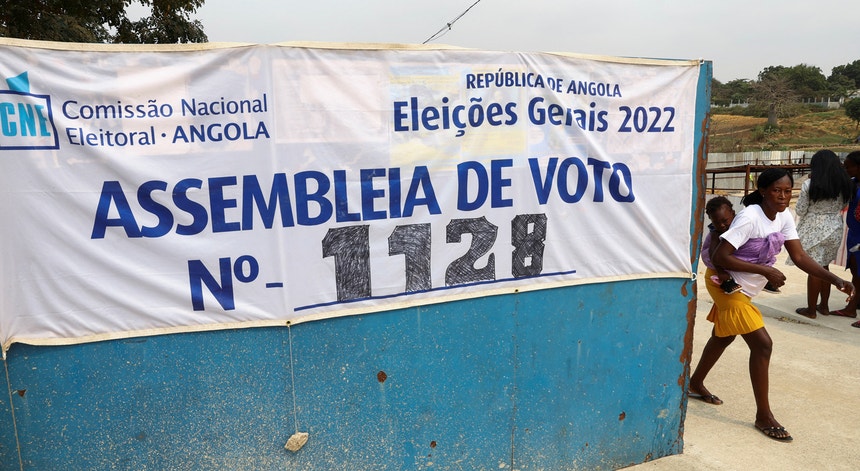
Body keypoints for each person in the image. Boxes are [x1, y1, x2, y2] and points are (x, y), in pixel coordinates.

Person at [689, 168, 855, 442]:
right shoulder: (750, 217)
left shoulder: (784, 216)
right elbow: (720, 257)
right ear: (763, 190)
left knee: (724, 335)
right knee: (763, 345)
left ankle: (695, 383)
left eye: (788, 191)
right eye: (777, 190)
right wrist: (766, 271)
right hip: (724, 284)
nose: (783, 196)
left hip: (745, 287)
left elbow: (799, 256)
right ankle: (763, 416)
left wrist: (835, 279)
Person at [790, 150, 853, 319]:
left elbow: (800, 210)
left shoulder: (809, 184)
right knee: (824, 266)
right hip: (835, 227)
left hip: (814, 228)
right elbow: (844, 206)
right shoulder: (845, 184)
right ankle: (824, 306)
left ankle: (811, 310)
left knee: (814, 269)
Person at [833, 150, 860, 326]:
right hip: (854, 234)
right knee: (856, 271)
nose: (846, 170)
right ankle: (854, 304)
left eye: (848, 167)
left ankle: (851, 308)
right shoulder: (853, 183)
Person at [702, 196, 742, 294]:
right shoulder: (716, 232)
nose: (721, 225)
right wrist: (720, 271)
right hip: (715, 263)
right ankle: (727, 283)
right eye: (716, 222)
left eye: (725, 221)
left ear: (733, 213)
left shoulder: (741, 223)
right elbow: (713, 253)